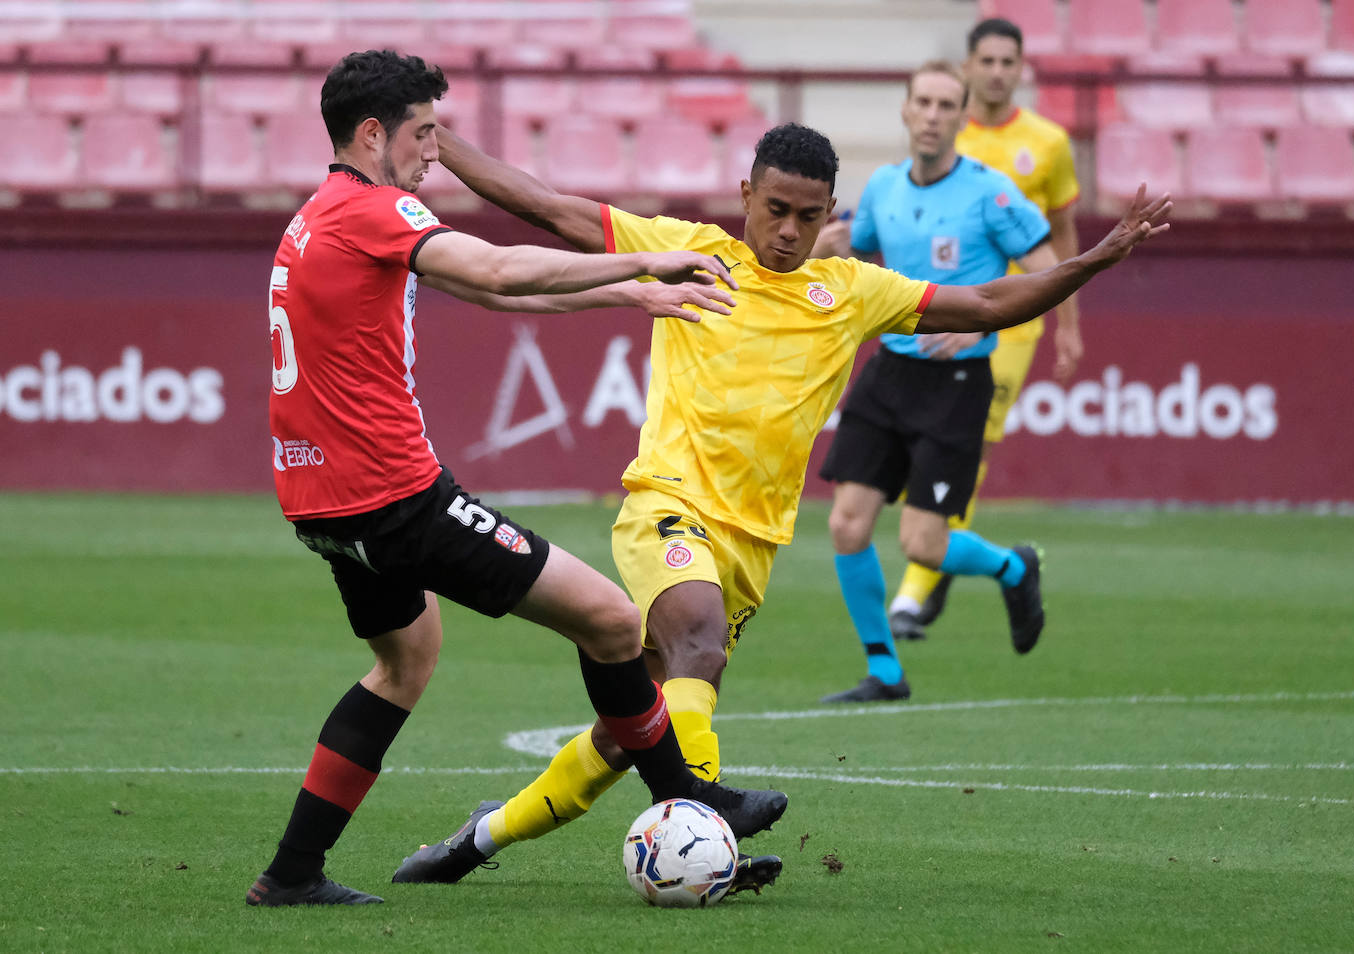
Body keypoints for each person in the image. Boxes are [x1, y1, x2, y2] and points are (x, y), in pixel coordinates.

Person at [389, 116, 1168, 894]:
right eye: (775, 209)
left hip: (753, 544)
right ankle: (704, 817)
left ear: (831, 213)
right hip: (668, 504)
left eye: (809, 215)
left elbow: (992, 301)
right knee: (698, 639)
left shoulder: (854, 292)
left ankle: (478, 839)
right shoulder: (686, 253)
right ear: (745, 195)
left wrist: (1096, 259)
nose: (790, 231)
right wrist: (442, 143)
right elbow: (550, 207)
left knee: (631, 735)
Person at [246, 48, 791, 908]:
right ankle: (691, 799)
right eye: (425, 133)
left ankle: (291, 873)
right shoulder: (374, 209)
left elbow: (500, 296)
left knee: (403, 662)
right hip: (396, 499)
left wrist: (628, 298)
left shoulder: (316, 215)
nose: (435, 152)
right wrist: (643, 264)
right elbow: (499, 268)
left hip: (322, 504)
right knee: (612, 622)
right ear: (374, 133)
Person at [811, 61, 1060, 704]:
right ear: (905, 109)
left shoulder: (990, 192)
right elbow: (851, 252)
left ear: (961, 115)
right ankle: (885, 673)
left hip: (956, 380)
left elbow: (1048, 271)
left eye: (946, 105)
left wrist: (982, 330)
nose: (931, 115)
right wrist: (827, 245)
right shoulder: (886, 188)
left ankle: (1012, 566)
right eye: (922, 102)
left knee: (922, 542)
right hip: (889, 372)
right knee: (846, 526)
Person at [889, 16, 1086, 641]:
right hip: (943, 314)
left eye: (1010, 62)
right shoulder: (943, 128)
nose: (999, 72)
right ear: (969, 69)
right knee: (925, 450)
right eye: (989, 61)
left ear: (1022, 69)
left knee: (966, 450)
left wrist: (1068, 325)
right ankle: (949, 556)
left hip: (1009, 328)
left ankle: (917, 588)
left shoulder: (1048, 143)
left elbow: (1061, 238)